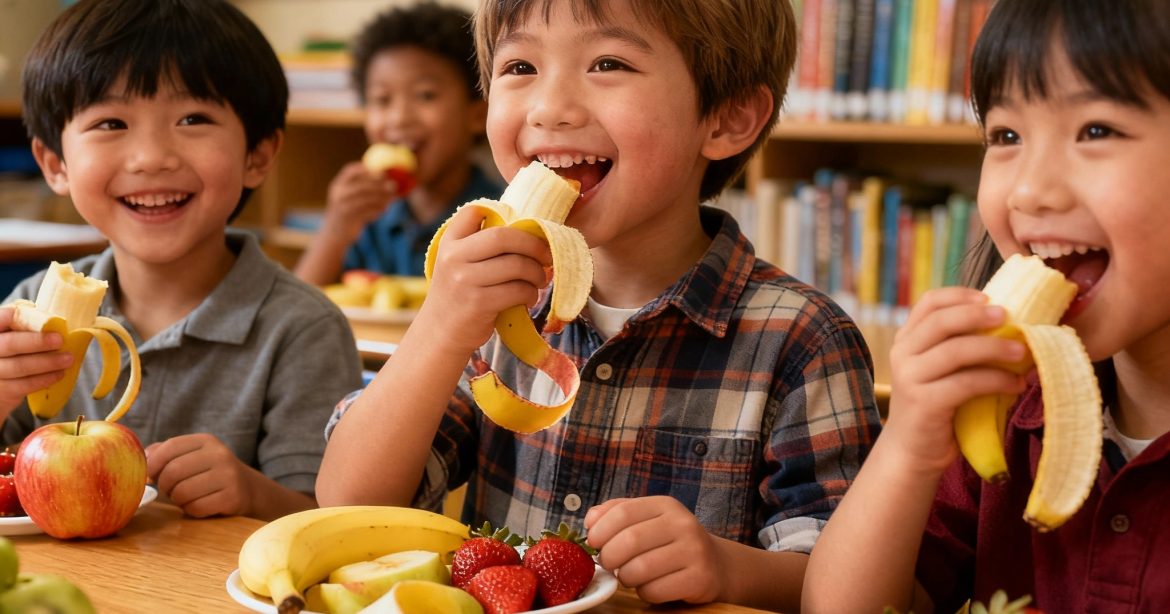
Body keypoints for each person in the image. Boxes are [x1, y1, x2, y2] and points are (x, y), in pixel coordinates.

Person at [318, 0, 881, 609]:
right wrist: (438, 328)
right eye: (520, 68)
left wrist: (728, 569)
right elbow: (349, 504)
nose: (549, 108)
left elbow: (846, 590)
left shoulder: (803, 339)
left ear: (728, 118)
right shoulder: (488, 310)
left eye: (608, 63)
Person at [803, 0, 1170, 611]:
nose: (1028, 190)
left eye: (1096, 130)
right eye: (1006, 136)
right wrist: (908, 449)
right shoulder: (1001, 405)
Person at [0, 0, 363, 521]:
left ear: (258, 156)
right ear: (55, 164)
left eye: (193, 118)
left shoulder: (303, 329)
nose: (151, 158)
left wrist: (252, 494)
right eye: (111, 122)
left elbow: (329, 521)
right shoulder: (31, 309)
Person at [294, 1, 501, 285]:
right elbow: (299, 302)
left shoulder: (499, 215)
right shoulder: (367, 219)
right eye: (382, 100)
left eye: (425, 95)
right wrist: (335, 230)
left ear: (477, 115)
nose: (399, 118)